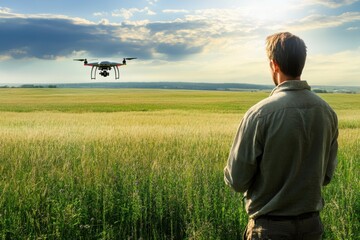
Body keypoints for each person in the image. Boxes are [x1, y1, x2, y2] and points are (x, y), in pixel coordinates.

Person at [224, 32, 338, 240]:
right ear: (301, 64)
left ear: (274, 65)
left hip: (269, 229)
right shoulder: (327, 112)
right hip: (312, 228)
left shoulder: (259, 114)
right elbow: (326, 177)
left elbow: (236, 180)